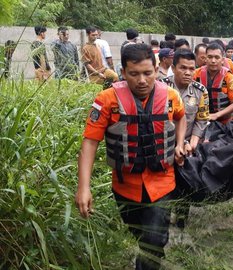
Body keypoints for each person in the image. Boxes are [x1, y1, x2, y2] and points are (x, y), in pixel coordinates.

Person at [75, 43, 187, 270]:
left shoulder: (171, 96)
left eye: (148, 73)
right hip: (125, 187)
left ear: (156, 70)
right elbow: (90, 142)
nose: (142, 80)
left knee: (153, 242)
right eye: (134, 74)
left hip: (163, 184)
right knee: (140, 235)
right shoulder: (107, 100)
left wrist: (179, 143)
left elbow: (181, 117)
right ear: (123, 72)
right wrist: (83, 187)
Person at [162, 49, 210, 228]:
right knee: (164, 185)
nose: (188, 72)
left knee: (185, 184)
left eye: (192, 68)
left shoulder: (200, 91)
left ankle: (181, 219)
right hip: (163, 146)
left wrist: (193, 143)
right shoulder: (160, 87)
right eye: (183, 68)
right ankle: (163, 219)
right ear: (173, 68)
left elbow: (202, 119)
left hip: (188, 145)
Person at [193, 43, 233, 123]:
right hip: (200, 121)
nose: (213, 61)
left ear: (222, 60)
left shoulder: (229, 78)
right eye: (210, 57)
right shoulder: (196, 74)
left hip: (224, 123)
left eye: (217, 57)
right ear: (205, 59)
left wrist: (217, 115)